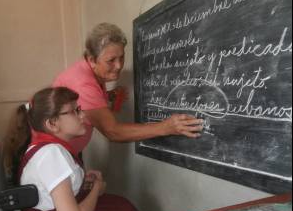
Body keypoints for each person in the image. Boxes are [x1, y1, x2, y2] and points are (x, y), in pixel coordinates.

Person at [52, 22, 204, 153]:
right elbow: (112, 131)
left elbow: (84, 101)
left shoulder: (92, 73)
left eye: (121, 57)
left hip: (66, 152)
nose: (118, 66)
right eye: (111, 60)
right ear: (92, 59)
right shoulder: (83, 83)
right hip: (54, 158)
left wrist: (107, 95)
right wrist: (167, 127)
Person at [16, 87, 145, 211]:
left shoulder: (46, 148)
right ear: (52, 123)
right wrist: (96, 188)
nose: (83, 115)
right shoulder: (51, 154)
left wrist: (80, 181)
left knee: (121, 206)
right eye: (74, 111)